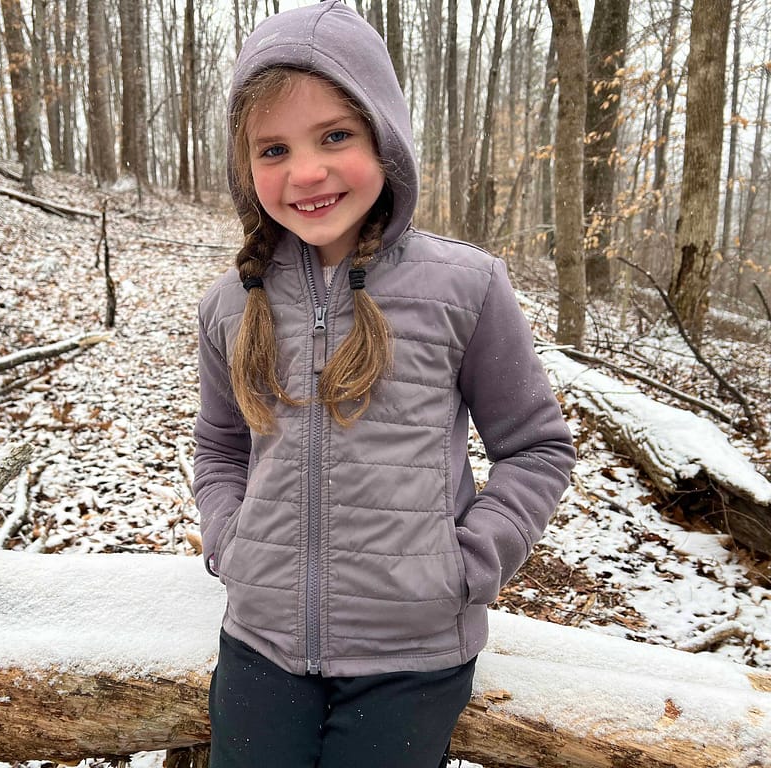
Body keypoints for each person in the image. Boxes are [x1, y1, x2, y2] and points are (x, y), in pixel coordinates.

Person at [192, 2, 576, 766]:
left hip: (413, 659)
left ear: (385, 137)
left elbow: (536, 449)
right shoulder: (231, 304)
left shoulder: (465, 286)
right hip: (260, 644)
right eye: (274, 148)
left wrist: (467, 565)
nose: (306, 171)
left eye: (335, 135)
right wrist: (230, 542)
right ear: (247, 168)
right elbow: (218, 445)